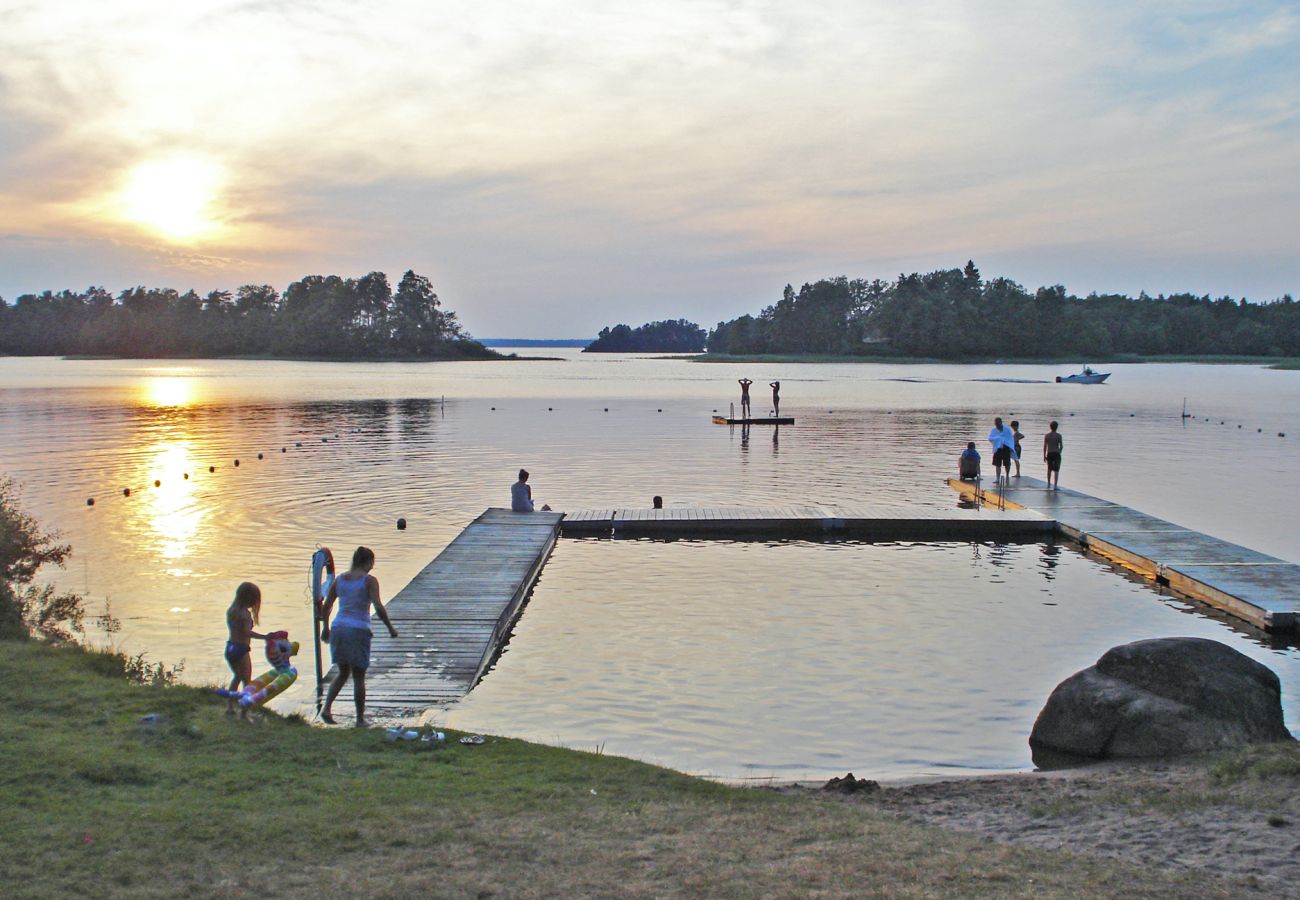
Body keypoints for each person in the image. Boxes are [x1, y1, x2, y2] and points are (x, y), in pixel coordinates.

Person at [319, 546, 397, 727]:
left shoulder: (340, 580)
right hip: (358, 629)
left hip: (338, 628)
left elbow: (327, 606)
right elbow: (378, 606)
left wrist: (325, 628)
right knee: (359, 676)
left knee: (342, 672)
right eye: (372, 563)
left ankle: (326, 708)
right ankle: (360, 719)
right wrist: (390, 628)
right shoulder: (369, 581)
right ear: (368, 562)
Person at [224, 582, 267, 717]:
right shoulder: (245, 614)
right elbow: (246, 633)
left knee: (237, 677)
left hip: (230, 648)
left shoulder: (232, 611)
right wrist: (266, 637)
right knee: (247, 681)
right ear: (248, 598)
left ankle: (229, 707)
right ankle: (244, 711)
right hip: (241, 649)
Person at [987, 416, 1015, 484]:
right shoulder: (994, 430)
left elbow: (1010, 438)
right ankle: (997, 478)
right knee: (997, 464)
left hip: (1006, 448)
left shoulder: (1007, 429)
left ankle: (1007, 476)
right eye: (995, 424)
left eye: (998, 424)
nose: (997, 425)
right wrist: (998, 439)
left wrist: (1010, 446)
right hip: (998, 449)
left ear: (1001, 422)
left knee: (1007, 463)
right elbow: (990, 438)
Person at [1043, 421, 1064, 489]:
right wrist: (1059, 452)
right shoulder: (1059, 436)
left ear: (1050, 427)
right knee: (1056, 470)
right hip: (1056, 453)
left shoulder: (1047, 435)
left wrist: (1044, 456)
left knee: (1049, 469)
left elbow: (1045, 446)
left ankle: (1048, 484)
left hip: (1050, 453)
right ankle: (1055, 485)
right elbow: (1061, 446)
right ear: (1057, 427)